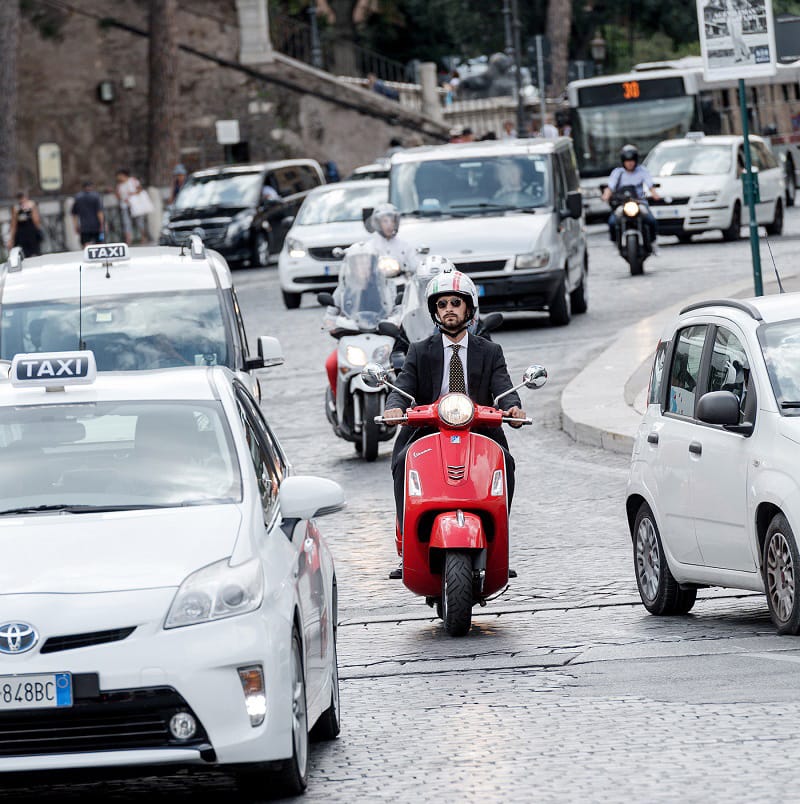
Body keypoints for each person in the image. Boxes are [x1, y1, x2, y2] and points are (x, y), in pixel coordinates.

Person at [382, 264, 526, 577]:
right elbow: (403, 387)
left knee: (506, 463)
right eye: (442, 305)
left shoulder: (489, 351)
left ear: (469, 308)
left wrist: (513, 408)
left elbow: (503, 387)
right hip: (426, 429)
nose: (449, 310)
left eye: (455, 303)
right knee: (402, 462)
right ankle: (408, 544)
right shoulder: (420, 351)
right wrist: (394, 407)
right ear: (434, 311)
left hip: (481, 429)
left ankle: (498, 540)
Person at [601, 143, 660, 250]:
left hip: (639, 202)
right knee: (612, 222)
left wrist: (654, 194)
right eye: (627, 161)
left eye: (632, 161)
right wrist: (606, 196)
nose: (630, 164)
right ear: (623, 161)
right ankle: (616, 243)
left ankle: (652, 242)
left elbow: (650, 184)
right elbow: (610, 187)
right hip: (622, 204)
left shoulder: (642, 171)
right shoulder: (617, 173)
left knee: (651, 220)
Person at [367, 202, 417, 273]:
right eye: (385, 221)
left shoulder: (405, 246)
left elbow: (414, 266)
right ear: (378, 223)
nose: (389, 225)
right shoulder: (371, 246)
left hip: (401, 282)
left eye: (392, 221)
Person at [115, 168, 150, 245]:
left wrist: (131, 195)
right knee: (126, 222)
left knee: (139, 222)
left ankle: (143, 237)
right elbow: (118, 195)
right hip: (125, 205)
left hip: (135, 205)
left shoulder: (133, 181)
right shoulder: (119, 185)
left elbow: (139, 189)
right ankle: (128, 239)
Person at [7, 190, 42, 257]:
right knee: (25, 254)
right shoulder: (16, 208)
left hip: (31, 234)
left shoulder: (31, 205)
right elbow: (13, 224)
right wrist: (11, 239)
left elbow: (36, 221)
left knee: (35, 253)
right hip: (22, 235)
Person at [70, 180, 105, 246]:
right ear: (92, 187)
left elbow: (74, 214)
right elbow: (99, 212)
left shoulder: (78, 197)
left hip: (84, 227)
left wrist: (76, 226)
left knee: (86, 245)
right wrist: (102, 224)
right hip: (96, 226)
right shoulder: (96, 196)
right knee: (99, 244)